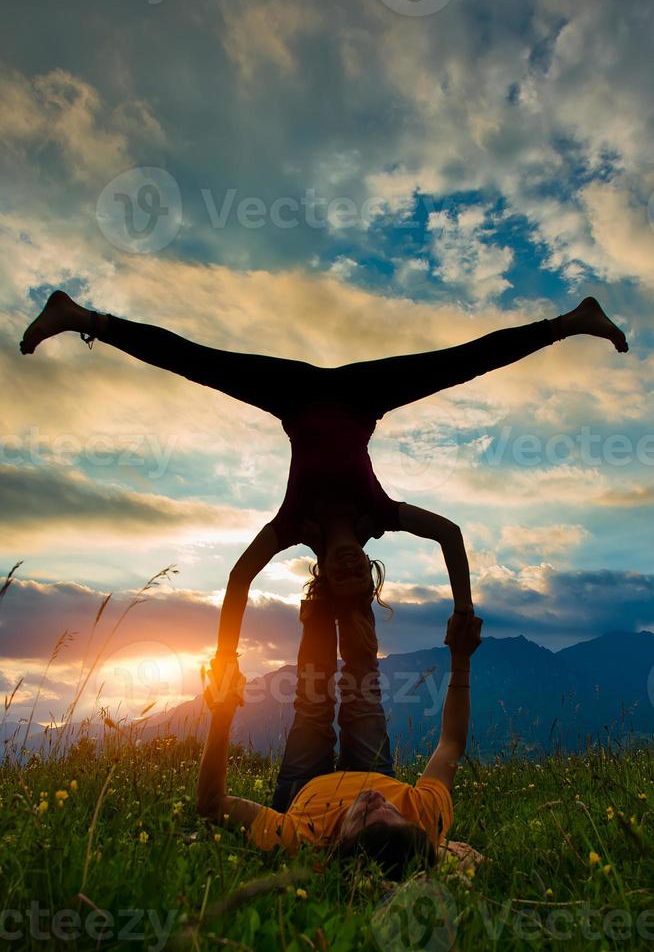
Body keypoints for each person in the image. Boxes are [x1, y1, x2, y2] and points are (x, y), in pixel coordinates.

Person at [20, 290, 627, 682]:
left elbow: (237, 578)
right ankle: (572, 321)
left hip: (292, 395)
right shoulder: (378, 514)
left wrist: (226, 659)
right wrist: (463, 611)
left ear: (323, 576)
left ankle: (79, 316)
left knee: (199, 362)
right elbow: (451, 533)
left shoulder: (294, 524)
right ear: (368, 568)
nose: (351, 574)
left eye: (340, 581)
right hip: (366, 396)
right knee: (457, 362)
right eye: (363, 578)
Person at [196, 595, 483, 880]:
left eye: (363, 816)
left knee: (313, 706)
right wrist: (461, 658)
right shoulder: (424, 816)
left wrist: (222, 711)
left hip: (305, 786)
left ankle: (319, 606)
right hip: (375, 770)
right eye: (389, 809)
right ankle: (355, 598)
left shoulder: (304, 840)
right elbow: (451, 743)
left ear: (338, 845)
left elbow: (212, 803)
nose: (374, 798)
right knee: (362, 697)